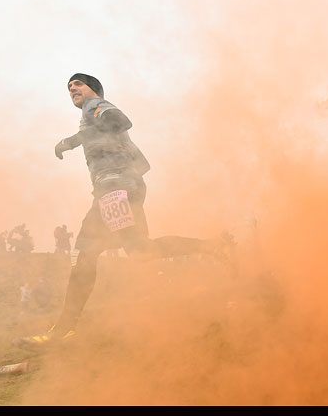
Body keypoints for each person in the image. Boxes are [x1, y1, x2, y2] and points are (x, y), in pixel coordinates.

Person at [16, 73, 235, 350]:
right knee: (140, 252)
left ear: (93, 89)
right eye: (69, 87)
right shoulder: (94, 113)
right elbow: (140, 161)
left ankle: (64, 329)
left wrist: (73, 142)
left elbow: (120, 122)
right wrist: (127, 183)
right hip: (117, 188)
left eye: (78, 84)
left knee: (85, 255)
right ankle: (214, 246)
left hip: (112, 189)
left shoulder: (95, 107)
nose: (72, 89)